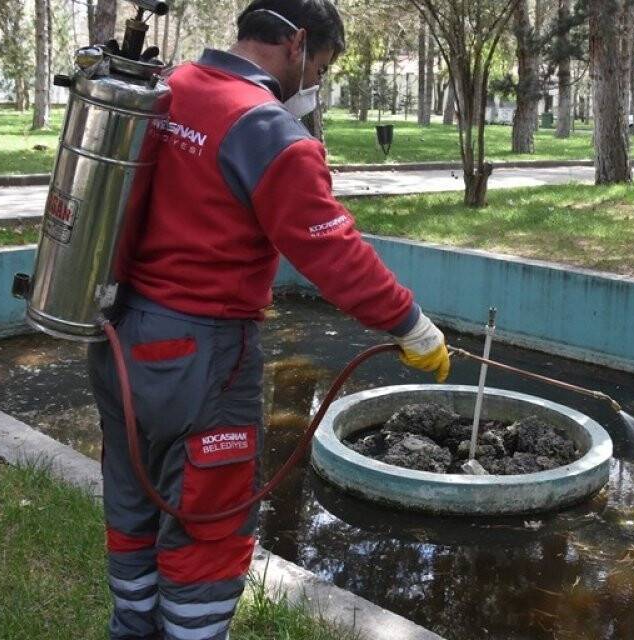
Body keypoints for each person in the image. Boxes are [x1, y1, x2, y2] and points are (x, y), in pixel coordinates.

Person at [87, 1, 450, 638]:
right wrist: (411, 326)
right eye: (321, 67)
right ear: (298, 43)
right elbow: (331, 249)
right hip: (204, 361)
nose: (314, 83)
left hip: (120, 338)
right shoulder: (266, 129)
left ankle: (131, 627)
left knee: (134, 500)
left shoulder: (171, 88)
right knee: (209, 521)